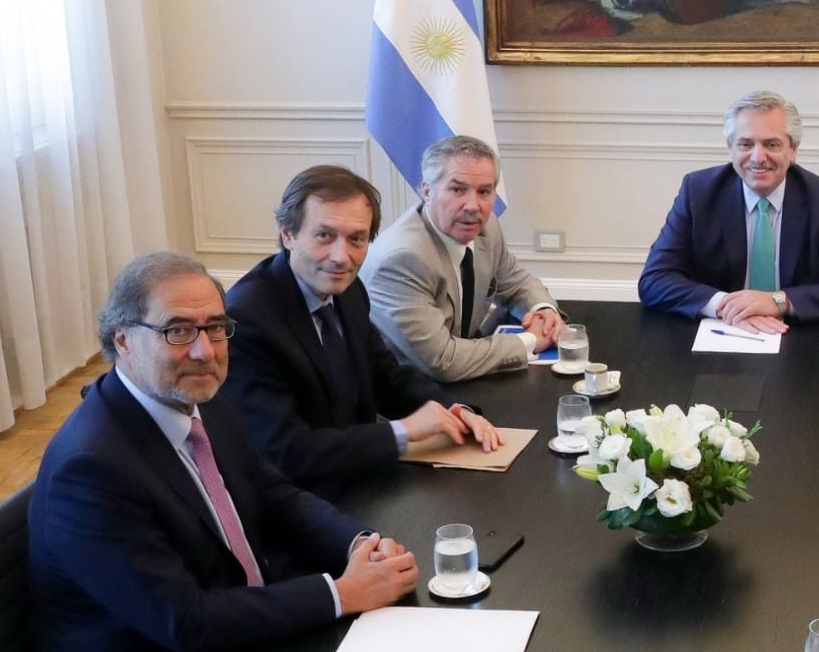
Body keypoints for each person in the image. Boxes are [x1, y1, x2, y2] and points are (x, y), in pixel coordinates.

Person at [30, 253, 420, 651]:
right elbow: (186, 622)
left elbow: (274, 496)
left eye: (215, 327)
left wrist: (359, 544)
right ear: (123, 340)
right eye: (178, 331)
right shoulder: (90, 471)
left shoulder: (201, 398)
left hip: (245, 612)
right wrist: (342, 593)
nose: (205, 352)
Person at [222, 165, 502, 500]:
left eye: (356, 239)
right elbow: (287, 451)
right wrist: (403, 431)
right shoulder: (247, 319)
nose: (342, 257)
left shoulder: (348, 290)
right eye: (325, 236)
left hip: (361, 479)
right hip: (300, 501)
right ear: (288, 234)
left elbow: (386, 378)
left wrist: (454, 409)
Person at [637, 90, 819, 333]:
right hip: (721, 330)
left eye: (771, 144)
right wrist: (727, 306)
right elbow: (655, 279)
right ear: (730, 148)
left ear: (793, 149)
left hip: (798, 334)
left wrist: (779, 301)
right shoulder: (698, 193)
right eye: (745, 144)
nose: (758, 157)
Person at [360, 135, 563, 382]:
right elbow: (443, 361)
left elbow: (515, 281)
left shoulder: (486, 226)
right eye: (458, 189)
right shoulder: (401, 260)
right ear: (426, 191)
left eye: (484, 191)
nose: (473, 206)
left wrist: (543, 311)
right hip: (408, 388)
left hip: (466, 372)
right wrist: (531, 340)